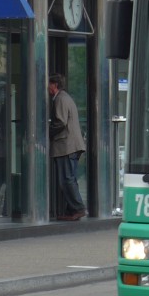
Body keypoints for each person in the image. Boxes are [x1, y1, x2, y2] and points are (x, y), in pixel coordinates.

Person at [48, 74, 87, 221]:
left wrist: (47, 132)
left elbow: (60, 122)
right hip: (70, 145)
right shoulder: (65, 98)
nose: (48, 88)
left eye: (49, 84)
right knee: (69, 178)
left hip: (66, 145)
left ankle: (78, 208)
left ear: (55, 85)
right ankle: (72, 211)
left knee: (66, 179)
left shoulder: (60, 99)